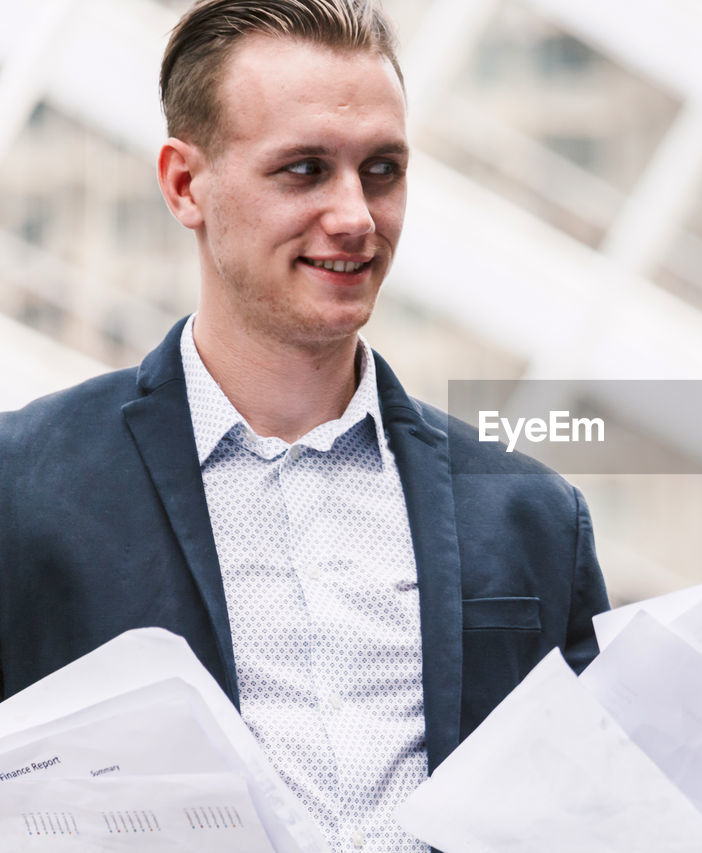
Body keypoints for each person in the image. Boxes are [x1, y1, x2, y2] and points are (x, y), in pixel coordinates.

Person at [0, 1, 607, 851]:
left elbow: (599, 810)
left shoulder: (533, 515)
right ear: (185, 184)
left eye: (383, 169)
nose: (356, 215)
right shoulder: (22, 484)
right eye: (305, 169)